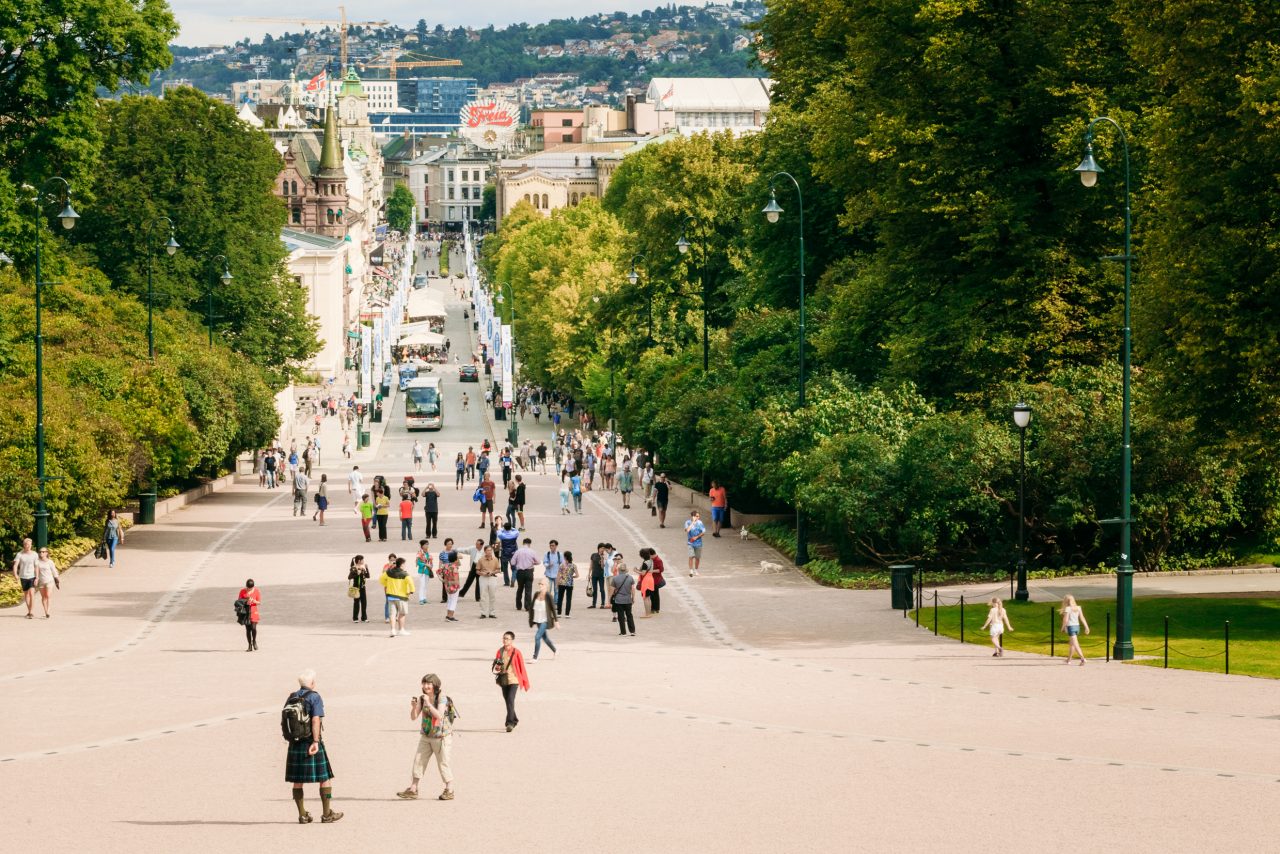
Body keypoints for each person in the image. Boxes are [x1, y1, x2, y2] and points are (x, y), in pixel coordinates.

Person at [284, 670, 343, 824]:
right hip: (310, 741)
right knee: (325, 778)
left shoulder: (292, 697)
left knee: (297, 780)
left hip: (295, 743)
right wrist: (315, 742)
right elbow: (316, 720)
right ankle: (326, 813)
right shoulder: (314, 696)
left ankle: (302, 814)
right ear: (312, 684)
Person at [397, 674, 456, 801]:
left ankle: (449, 790)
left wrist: (428, 703)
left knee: (443, 763)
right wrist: (414, 707)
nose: (426, 686)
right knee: (419, 761)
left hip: (441, 736)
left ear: (435, 685)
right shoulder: (422, 698)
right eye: (424, 684)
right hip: (426, 735)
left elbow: (439, 715)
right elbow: (413, 717)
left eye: (429, 684)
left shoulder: (442, 698)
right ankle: (413, 789)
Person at [492, 632, 530, 732]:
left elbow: (522, 667)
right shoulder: (500, 651)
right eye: (504, 638)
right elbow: (497, 665)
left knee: (510, 699)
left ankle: (510, 723)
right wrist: (497, 666)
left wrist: (525, 681)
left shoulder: (517, 652)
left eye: (507, 639)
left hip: (514, 679)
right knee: (508, 701)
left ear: (512, 640)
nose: (505, 640)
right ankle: (515, 719)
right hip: (504, 679)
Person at [381, 557, 415, 637]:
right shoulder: (405, 574)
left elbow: (381, 579)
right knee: (402, 613)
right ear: (402, 564)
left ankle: (393, 630)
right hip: (401, 597)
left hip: (391, 596)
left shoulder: (388, 572)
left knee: (392, 614)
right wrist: (411, 591)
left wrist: (387, 585)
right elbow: (411, 584)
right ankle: (401, 630)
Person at [527, 580, 558, 661]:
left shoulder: (548, 596)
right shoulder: (536, 594)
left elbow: (553, 609)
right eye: (539, 584)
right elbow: (532, 606)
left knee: (537, 637)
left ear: (546, 586)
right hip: (537, 619)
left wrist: (556, 621)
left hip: (545, 620)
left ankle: (535, 657)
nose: (540, 585)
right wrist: (531, 618)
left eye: (542, 584)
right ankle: (555, 650)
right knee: (545, 638)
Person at [30, 546, 59, 619]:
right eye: (40, 552)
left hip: (49, 581)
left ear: (46, 553)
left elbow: (54, 571)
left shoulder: (50, 562)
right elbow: (36, 571)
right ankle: (46, 612)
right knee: (43, 597)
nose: (41, 553)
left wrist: (57, 580)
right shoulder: (37, 562)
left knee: (48, 595)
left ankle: (48, 612)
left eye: (43, 552)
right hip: (41, 582)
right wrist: (36, 579)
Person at [610, 553, 636, 636]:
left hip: (619, 600)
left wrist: (611, 597)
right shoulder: (630, 578)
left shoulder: (615, 578)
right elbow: (633, 589)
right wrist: (633, 598)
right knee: (629, 615)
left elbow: (612, 590)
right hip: (628, 599)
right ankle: (632, 631)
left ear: (618, 570)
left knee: (621, 616)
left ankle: (623, 632)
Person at [511, 536, 539, 611]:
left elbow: (512, 562)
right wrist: (532, 562)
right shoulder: (532, 551)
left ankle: (518, 605)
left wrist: (518, 563)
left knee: (520, 588)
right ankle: (528, 606)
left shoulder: (518, 551)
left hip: (520, 572)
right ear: (529, 544)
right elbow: (538, 562)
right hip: (529, 571)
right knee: (528, 590)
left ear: (523, 543)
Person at [1061, 594, 1090, 665]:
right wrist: (1086, 627)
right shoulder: (1078, 608)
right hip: (1077, 627)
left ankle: (1082, 658)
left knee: (1076, 644)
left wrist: (1063, 627)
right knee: (1072, 644)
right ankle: (1069, 660)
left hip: (1071, 627)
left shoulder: (1068, 608)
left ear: (1066, 601)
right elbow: (1082, 618)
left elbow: (1065, 620)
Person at [475, 545, 501, 618]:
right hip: (483, 578)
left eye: (490, 550)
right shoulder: (481, 560)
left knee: (493, 596)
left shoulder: (495, 559)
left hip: (492, 578)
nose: (489, 552)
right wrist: (482, 573)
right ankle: (483, 613)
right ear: (485, 551)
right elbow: (477, 570)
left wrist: (493, 572)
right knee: (483, 596)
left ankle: (492, 613)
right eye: (488, 550)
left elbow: (498, 569)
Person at [439, 540, 461, 622]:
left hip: (447, 586)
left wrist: (446, 583)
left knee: (449, 600)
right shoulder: (454, 568)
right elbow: (455, 581)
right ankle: (450, 616)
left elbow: (442, 576)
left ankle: (448, 615)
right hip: (453, 586)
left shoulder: (446, 566)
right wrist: (456, 584)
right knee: (453, 601)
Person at [238, 579, 261, 651]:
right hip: (246, 613)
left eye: (250, 588)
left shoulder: (257, 591)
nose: (249, 589)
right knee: (248, 630)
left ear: (253, 587)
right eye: (248, 588)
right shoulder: (242, 591)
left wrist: (254, 601)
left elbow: (259, 602)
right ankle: (249, 645)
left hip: (254, 612)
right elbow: (238, 601)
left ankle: (254, 641)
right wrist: (246, 602)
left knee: (253, 628)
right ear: (246, 586)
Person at [497, 520, 519, 588]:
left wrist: (502, 528)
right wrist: (512, 528)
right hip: (513, 553)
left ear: (505, 528)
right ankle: (513, 579)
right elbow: (516, 530)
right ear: (510, 527)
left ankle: (507, 582)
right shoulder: (515, 534)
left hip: (505, 553)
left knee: (505, 568)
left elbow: (499, 531)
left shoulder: (501, 535)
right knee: (514, 568)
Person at [556, 550, 578, 617]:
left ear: (565, 557)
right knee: (568, 599)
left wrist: (557, 584)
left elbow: (558, 575)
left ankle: (559, 613)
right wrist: (571, 576)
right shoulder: (573, 565)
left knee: (560, 599)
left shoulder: (561, 565)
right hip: (569, 584)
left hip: (561, 583)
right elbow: (577, 575)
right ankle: (567, 614)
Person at [684, 510, 706, 577]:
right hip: (690, 542)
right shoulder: (687, 522)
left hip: (698, 543)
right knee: (691, 556)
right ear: (693, 516)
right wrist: (693, 522)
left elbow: (703, 532)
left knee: (697, 557)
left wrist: (697, 537)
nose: (698, 518)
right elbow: (687, 530)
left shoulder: (700, 523)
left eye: (698, 516)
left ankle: (696, 570)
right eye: (697, 516)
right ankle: (691, 570)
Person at [348, 555, 369, 622]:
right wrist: (357, 573)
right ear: (359, 561)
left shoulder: (363, 567)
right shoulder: (353, 568)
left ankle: (364, 618)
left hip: (363, 587)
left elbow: (368, 576)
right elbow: (349, 577)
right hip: (356, 587)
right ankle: (355, 618)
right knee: (356, 603)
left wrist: (367, 568)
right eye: (362, 560)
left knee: (364, 603)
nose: (363, 561)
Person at [543, 540, 563, 607]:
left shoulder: (559, 554)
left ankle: (555, 603)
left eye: (553, 545)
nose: (551, 547)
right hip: (548, 574)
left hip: (557, 575)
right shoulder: (547, 554)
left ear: (556, 546)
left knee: (556, 590)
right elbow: (544, 562)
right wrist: (548, 565)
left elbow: (562, 564)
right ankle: (548, 602)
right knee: (548, 589)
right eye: (550, 545)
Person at [587, 543, 607, 610]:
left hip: (601, 575)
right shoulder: (593, 555)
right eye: (601, 548)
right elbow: (591, 565)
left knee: (602, 589)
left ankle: (602, 604)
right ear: (598, 548)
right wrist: (589, 574)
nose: (602, 549)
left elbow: (602, 567)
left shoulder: (604, 556)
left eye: (604, 548)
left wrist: (602, 559)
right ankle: (593, 604)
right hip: (594, 575)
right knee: (594, 589)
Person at [415, 540, 433, 604]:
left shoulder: (428, 553)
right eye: (425, 544)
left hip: (427, 571)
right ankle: (421, 599)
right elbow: (418, 563)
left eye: (427, 544)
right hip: (422, 571)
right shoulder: (419, 553)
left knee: (425, 585)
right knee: (422, 585)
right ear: (422, 546)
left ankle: (424, 598)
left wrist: (430, 565)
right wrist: (425, 564)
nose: (427, 546)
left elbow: (430, 561)